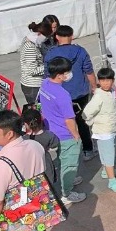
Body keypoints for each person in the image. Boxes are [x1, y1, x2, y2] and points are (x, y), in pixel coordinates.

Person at [43, 25, 97, 159]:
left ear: (57, 37)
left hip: (58, 93)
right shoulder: (80, 51)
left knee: (62, 122)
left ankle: (65, 150)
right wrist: (94, 87)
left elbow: (46, 74)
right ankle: (88, 149)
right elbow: (89, 71)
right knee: (82, 121)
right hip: (80, 93)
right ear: (71, 36)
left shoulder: (50, 53)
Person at [39, 57, 86, 205]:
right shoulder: (63, 95)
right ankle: (67, 192)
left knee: (62, 158)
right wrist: (76, 135)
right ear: (59, 75)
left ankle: (68, 177)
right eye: (67, 72)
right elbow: (69, 119)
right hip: (65, 134)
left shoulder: (45, 84)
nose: (69, 74)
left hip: (51, 130)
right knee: (70, 162)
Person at [82, 67, 116, 194]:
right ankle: (112, 181)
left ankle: (106, 171)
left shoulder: (112, 91)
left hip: (112, 128)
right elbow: (86, 113)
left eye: (109, 80)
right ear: (99, 81)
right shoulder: (99, 96)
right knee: (108, 156)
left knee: (111, 152)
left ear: (113, 80)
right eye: (103, 80)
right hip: (104, 131)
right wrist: (92, 123)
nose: (106, 83)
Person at [22, 107, 59, 186]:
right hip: (45, 163)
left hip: (30, 166)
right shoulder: (48, 135)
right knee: (48, 184)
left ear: (26, 124)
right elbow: (54, 147)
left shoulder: (23, 139)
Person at [18, 21, 49, 104]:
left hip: (32, 85)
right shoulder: (30, 48)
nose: (45, 40)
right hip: (33, 86)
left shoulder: (29, 40)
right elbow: (32, 70)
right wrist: (48, 66)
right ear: (39, 34)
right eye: (45, 37)